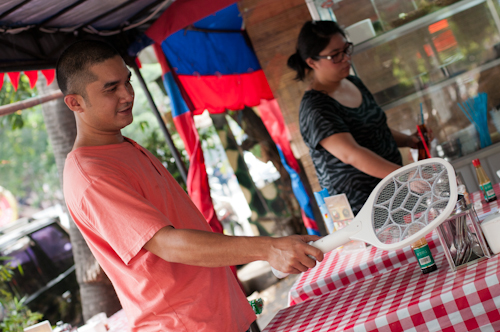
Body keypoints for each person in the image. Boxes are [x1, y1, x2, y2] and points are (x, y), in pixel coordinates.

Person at [58, 40, 323, 332]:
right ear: (75, 102)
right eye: (111, 88)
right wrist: (269, 248)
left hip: (221, 313)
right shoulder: (92, 174)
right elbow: (166, 244)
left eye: (127, 82)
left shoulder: (122, 146)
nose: (127, 95)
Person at [288, 21, 421, 215]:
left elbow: (376, 129)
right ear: (312, 62)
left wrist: (409, 140)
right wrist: (405, 175)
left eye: (346, 49)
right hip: (361, 208)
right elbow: (351, 154)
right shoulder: (315, 108)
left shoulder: (353, 82)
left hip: (395, 193)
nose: (345, 59)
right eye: (335, 55)